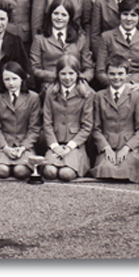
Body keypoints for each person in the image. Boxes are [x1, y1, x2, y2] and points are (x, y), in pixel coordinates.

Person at [88, 55, 139, 183]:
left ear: (127, 75)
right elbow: (95, 128)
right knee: (106, 169)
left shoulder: (136, 97)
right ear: (107, 75)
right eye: (112, 74)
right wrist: (106, 148)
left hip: (127, 146)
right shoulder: (99, 96)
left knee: (126, 170)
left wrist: (127, 147)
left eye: (120, 73)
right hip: (108, 145)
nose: (116, 77)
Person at [41, 54, 94, 182]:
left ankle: (78, 163)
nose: (67, 78)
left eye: (71, 73)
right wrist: (55, 146)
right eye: (63, 74)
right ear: (57, 74)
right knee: (49, 172)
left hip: (75, 145)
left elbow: (87, 126)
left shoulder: (86, 93)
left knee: (66, 174)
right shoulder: (50, 92)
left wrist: (70, 146)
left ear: (78, 74)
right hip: (56, 142)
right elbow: (47, 123)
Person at [0, 61, 41, 180]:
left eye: (14, 79)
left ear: (22, 78)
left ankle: (22, 160)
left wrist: (23, 147)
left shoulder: (33, 97)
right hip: (4, 145)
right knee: (2, 171)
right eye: (7, 79)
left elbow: (34, 128)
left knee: (20, 171)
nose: (11, 83)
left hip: (24, 146)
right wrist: (5, 147)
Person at [29, 0, 93, 92]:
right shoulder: (40, 39)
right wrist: (56, 76)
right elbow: (34, 69)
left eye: (64, 15)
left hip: (75, 84)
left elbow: (89, 68)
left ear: (70, 18)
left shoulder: (80, 38)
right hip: (49, 85)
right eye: (56, 13)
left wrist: (79, 78)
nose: (59, 18)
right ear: (50, 15)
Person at [95, 0, 139, 91]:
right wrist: (118, 85)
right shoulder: (107, 37)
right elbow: (100, 72)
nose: (129, 18)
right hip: (113, 85)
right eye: (125, 14)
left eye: (133, 15)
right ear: (119, 15)